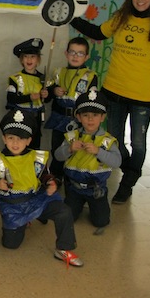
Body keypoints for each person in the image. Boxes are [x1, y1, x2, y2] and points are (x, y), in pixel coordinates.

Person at [70, 0, 150, 204]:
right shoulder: (121, 17)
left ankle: (128, 183)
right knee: (114, 138)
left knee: (138, 143)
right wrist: (70, 16)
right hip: (114, 90)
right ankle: (129, 169)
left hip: (143, 96)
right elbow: (97, 32)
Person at [0, 109, 83, 267]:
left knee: (64, 211)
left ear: (29, 140)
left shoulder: (36, 157)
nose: (15, 143)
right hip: (13, 207)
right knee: (11, 244)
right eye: (11, 138)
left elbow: (45, 175)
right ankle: (24, 222)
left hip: (37, 200)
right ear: (4, 138)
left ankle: (64, 248)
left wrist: (51, 183)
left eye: (21, 139)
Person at [54, 89, 121, 232]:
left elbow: (117, 162)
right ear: (78, 117)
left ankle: (96, 206)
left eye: (95, 115)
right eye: (85, 115)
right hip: (73, 188)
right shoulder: (71, 136)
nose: (90, 119)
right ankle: (77, 204)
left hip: (96, 188)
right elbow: (57, 156)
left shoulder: (107, 140)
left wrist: (99, 152)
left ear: (102, 117)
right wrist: (69, 149)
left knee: (101, 221)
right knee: (67, 217)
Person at [44, 37, 98, 181]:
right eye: (72, 52)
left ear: (86, 57)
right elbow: (47, 96)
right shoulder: (58, 72)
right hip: (59, 118)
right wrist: (54, 91)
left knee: (75, 149)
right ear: (66, 54)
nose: (75, 56)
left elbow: (91, 101)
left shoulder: (90, 76)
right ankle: (55, 177)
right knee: (57, 148)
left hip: (78, 121)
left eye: (80, 53)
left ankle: (72, 178)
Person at [6, 38, 48, 149]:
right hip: (19, 119)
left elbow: (48, 99)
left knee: (34, 146)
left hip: (36, 119)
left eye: (33, 56)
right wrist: (29, 97)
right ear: (21, 59)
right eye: (26, 56)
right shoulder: (14, 78)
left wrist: (46, 95)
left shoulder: (43, 79)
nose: (29, 60)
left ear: (38, 59)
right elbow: (10, 98)